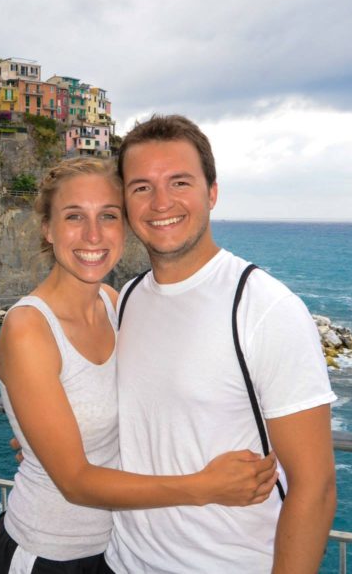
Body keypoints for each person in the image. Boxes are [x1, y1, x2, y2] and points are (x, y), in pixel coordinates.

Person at [0, 157, 280, 574]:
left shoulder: (113, 302)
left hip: (120, 551)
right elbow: (75, 481)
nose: (93, 234)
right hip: (49, 554)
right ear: (47, 229)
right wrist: (205, 487)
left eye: (108, 216)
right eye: (74, 217)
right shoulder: (29, 329)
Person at [105, 115, 337, 573]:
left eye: (180, 182)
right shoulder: (127, 299)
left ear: (212, 192)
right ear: (127, 203)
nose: (161, 202)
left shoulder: (264, 307)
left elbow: (316, 486)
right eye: (142, 187)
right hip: (122, 563)